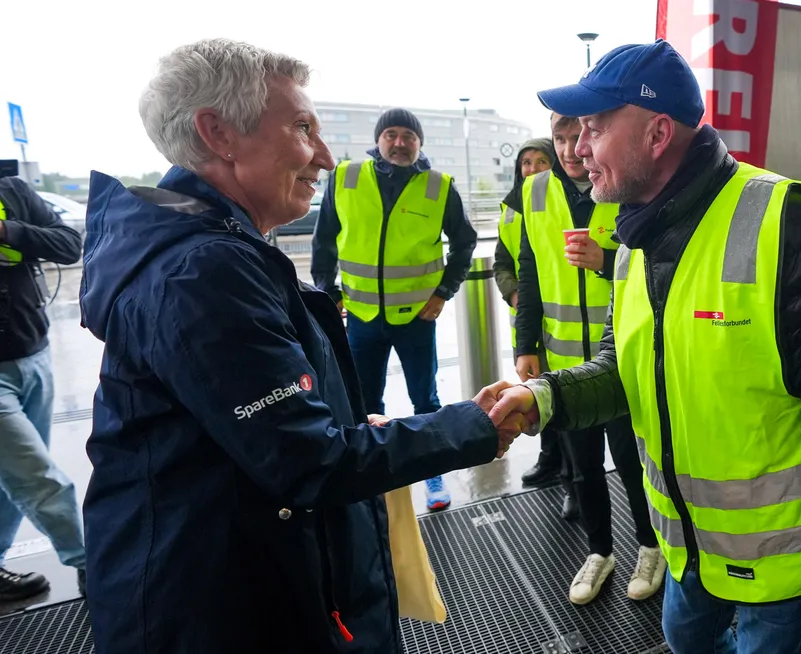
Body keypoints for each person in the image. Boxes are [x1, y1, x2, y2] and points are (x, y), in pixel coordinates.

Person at [79, 39, 520, 654]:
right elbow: (309, 463)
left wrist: (340, 423)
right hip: (224, 610)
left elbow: (256, 435)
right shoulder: (203, 273)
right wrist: (469, 428)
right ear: (218, 134)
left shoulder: (210, 248)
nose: (324, 155)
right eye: (302, 126)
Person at [489, 41, 801, 653]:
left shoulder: (784, 220)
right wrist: (540, 398)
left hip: (782, 564)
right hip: (687, 546)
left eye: (596, 128)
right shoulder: (633, 238)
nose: (578, 148)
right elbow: (620, 369)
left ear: (656, 133)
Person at [514, 112, 665, 606]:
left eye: (577, 136)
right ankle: (600, 550)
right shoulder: (534, 194)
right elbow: (529, 272)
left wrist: (605, 265)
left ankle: (650, 545)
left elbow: (655, 270)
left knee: (629, 461)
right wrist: (524, 346)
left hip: (619, 360)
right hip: (560, 362)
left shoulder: (624, 183)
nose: (567, 148)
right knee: (581, 469)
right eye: (558, 138)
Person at [311, 108, 478, 512]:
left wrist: (442, 293)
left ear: (420, 143)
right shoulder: (347, 179)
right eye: (391, 134)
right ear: (378, 140)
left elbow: (465, 243)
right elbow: (325, 241)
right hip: (362, 318)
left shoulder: (438, 187)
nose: (399, 142)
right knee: (366, 402)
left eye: (408, 135)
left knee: (426, 398)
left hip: (416, 318)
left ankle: (433, 474)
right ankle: (376, 482)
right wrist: (327, 294)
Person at [0, 173, 85, 601]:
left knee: (10, 478)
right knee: (38, 477)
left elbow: (69, 244)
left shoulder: (12, 192)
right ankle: (94, 565)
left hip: (33, 354)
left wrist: (7, 230)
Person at [493, 138, 568, 495]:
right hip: (526, 323)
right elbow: (503, 263)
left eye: (542, 161)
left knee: (567, 400)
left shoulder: (563, 204)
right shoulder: (511, 208)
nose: (533, 168)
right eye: (526, 162)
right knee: (538, 397)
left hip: (562, 323)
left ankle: (572, 479)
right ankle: (549, 460)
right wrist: (514, 291)